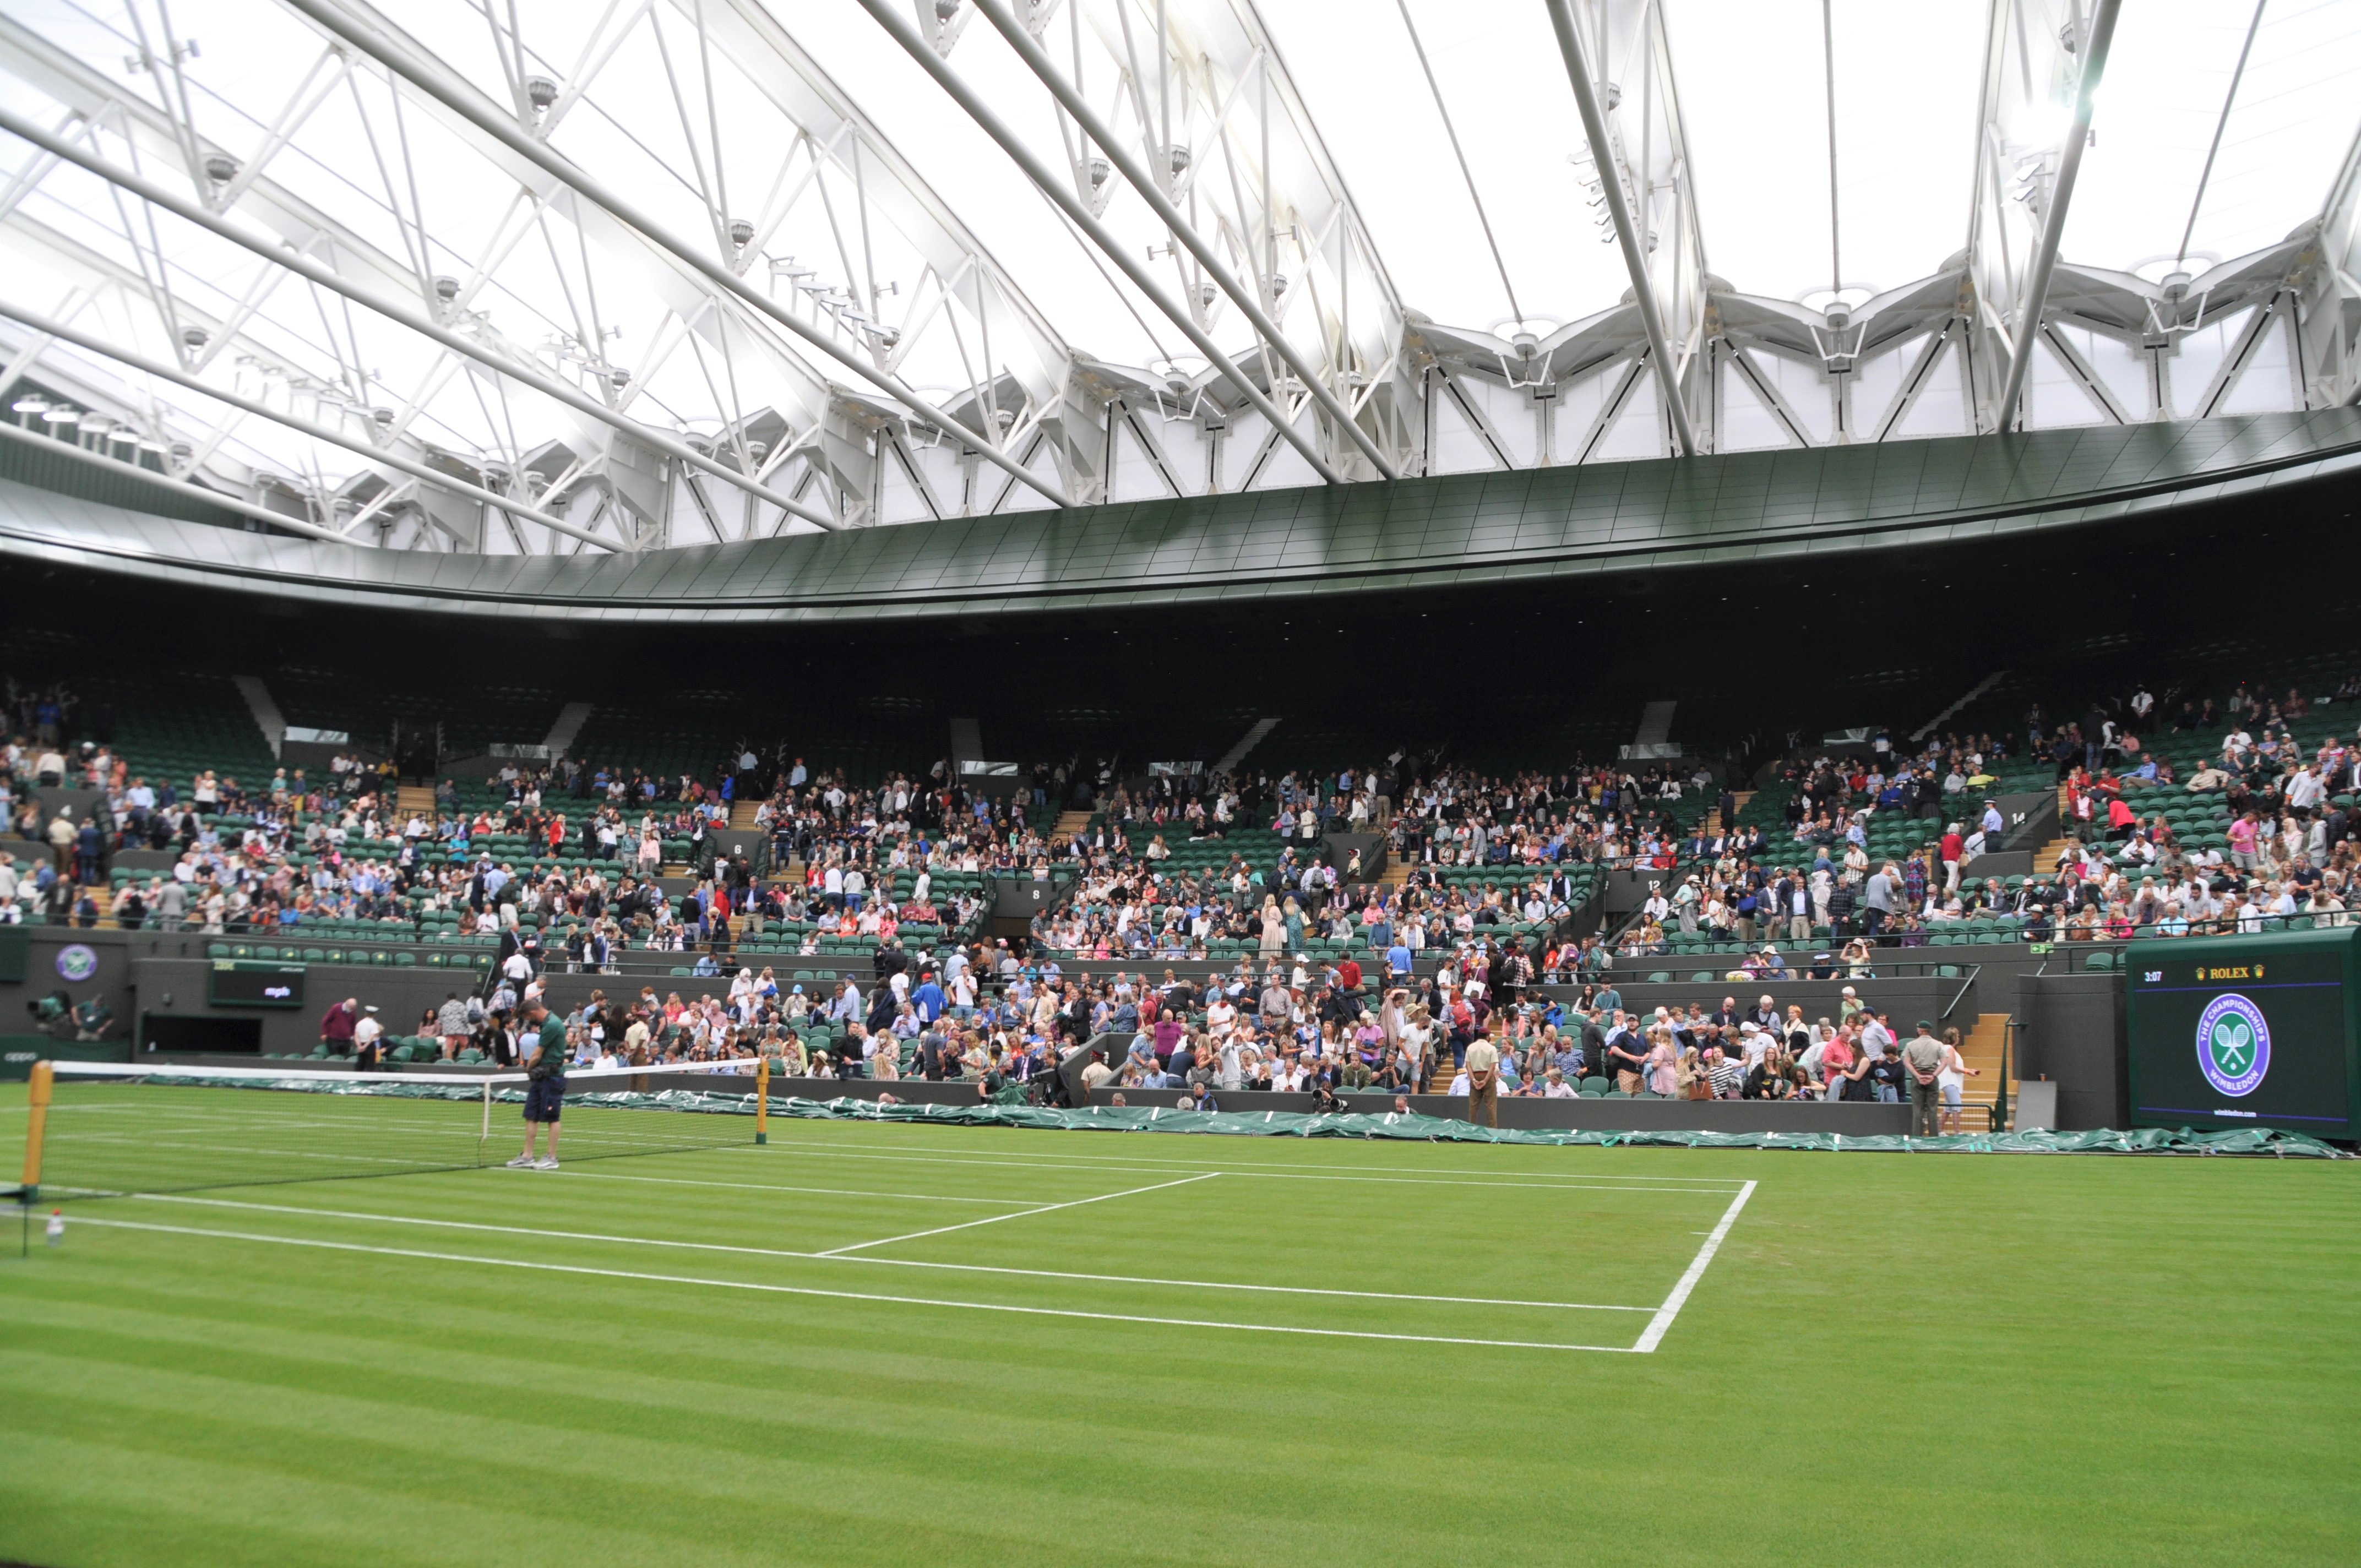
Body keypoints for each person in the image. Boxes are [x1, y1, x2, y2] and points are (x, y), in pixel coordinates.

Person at [508, 996, 568, 1169]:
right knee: (531, 1115)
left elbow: (537, 1054)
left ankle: (551, 1157)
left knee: (552, 1118)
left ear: (533, 1013)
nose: (528, 1021)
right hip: (541, 1076)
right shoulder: (547, 1024)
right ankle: (527, 1156)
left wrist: (527, 1069)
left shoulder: (552, 1025)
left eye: (528, 1017)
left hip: (552, 1077)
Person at [1903, 1019, 1947, 1137]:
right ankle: (1934, 1137)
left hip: (1917, 1078)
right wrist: (1933, 1076)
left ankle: (1917, 1137)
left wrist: (1917, 1075)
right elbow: (1944, 1062)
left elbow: (1906, 1062)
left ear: (1920, 1031)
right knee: (1933, 1110)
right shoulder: (1938, 1044)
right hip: (1932, 1076)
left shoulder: (1911, 1045)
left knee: (1918, 1111)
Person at [1936, 1025, 1981, 1135]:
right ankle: (1957, 1132)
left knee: (1949, 1108)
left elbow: (1954, 1067)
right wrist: (1967, 1072)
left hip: (1949, 1082)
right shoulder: (1950, 1049)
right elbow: (1953, 1067)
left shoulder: (1948, 1049)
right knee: (1957, 1106)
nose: (1959, 1038)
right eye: (1958, 1036)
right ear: (1954, 1037)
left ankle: (1939, 1130)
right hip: (1949, 1082)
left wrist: (1969, 1070)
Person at [1463, 1033, 1499, 1128]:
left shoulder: (1470, 1047)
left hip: (1475, 1075)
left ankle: (1471, 1129)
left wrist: (1474, 1079)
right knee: (1491, 1105)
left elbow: (1468, 1065)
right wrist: (1486, 1080)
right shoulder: (1491, 1048)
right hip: (1487, 1075)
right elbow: (1493, 1066)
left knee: (1473, 1106)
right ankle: (1493, 1131)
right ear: (1487, 1037)